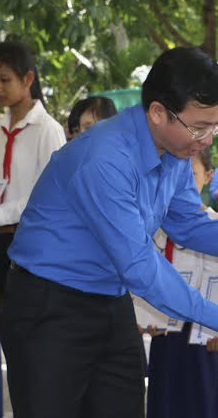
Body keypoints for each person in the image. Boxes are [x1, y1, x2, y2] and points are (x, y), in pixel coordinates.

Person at [0, 46, 218, 418]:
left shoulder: (176, 151)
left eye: (217, 125)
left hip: (110, 301)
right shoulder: (106, 159)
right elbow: (140, 266)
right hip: (50, 306)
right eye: (199, 127)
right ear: (158, 112)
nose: (208, 140)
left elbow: (189, 224)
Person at [0, 39, 65, 418]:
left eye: (5, 79)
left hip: (27, 248)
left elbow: (46, 197)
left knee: (24, 339)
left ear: (28, 79)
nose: (0, 87)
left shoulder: (49, 131)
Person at [146, 147, 218, 418]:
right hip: (165, 334)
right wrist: (143, 318)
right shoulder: (154, 226)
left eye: (191, 174)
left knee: (203, 404)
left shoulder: (217, 225)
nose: (180, 183)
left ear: (208, 176)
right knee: (166, 403)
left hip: (204, 336)